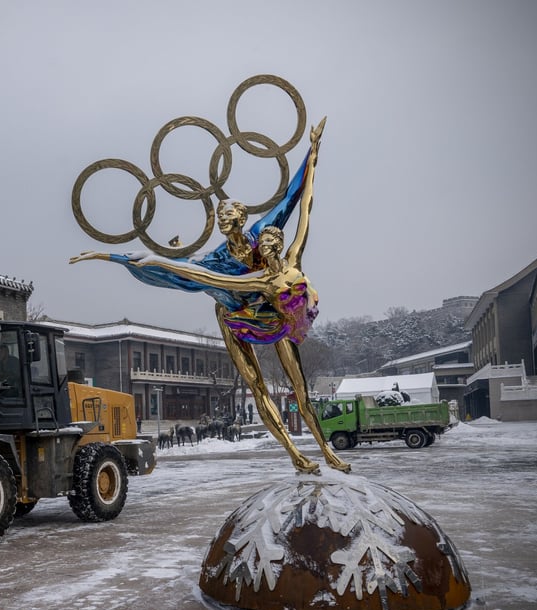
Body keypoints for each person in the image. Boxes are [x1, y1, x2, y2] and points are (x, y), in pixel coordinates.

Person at [71, 118, 348, 475]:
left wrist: (312, 153)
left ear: (242, 217)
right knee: (257, 386)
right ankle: (296, 455)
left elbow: (298, 200)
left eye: (228, 214)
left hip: (269, 312)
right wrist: (116, 256)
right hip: (235, 319)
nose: (222, 218)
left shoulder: (266, 235)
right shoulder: (216, 260)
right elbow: (185, 273)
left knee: (300, 386)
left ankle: (326, 450)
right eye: (219, 215)